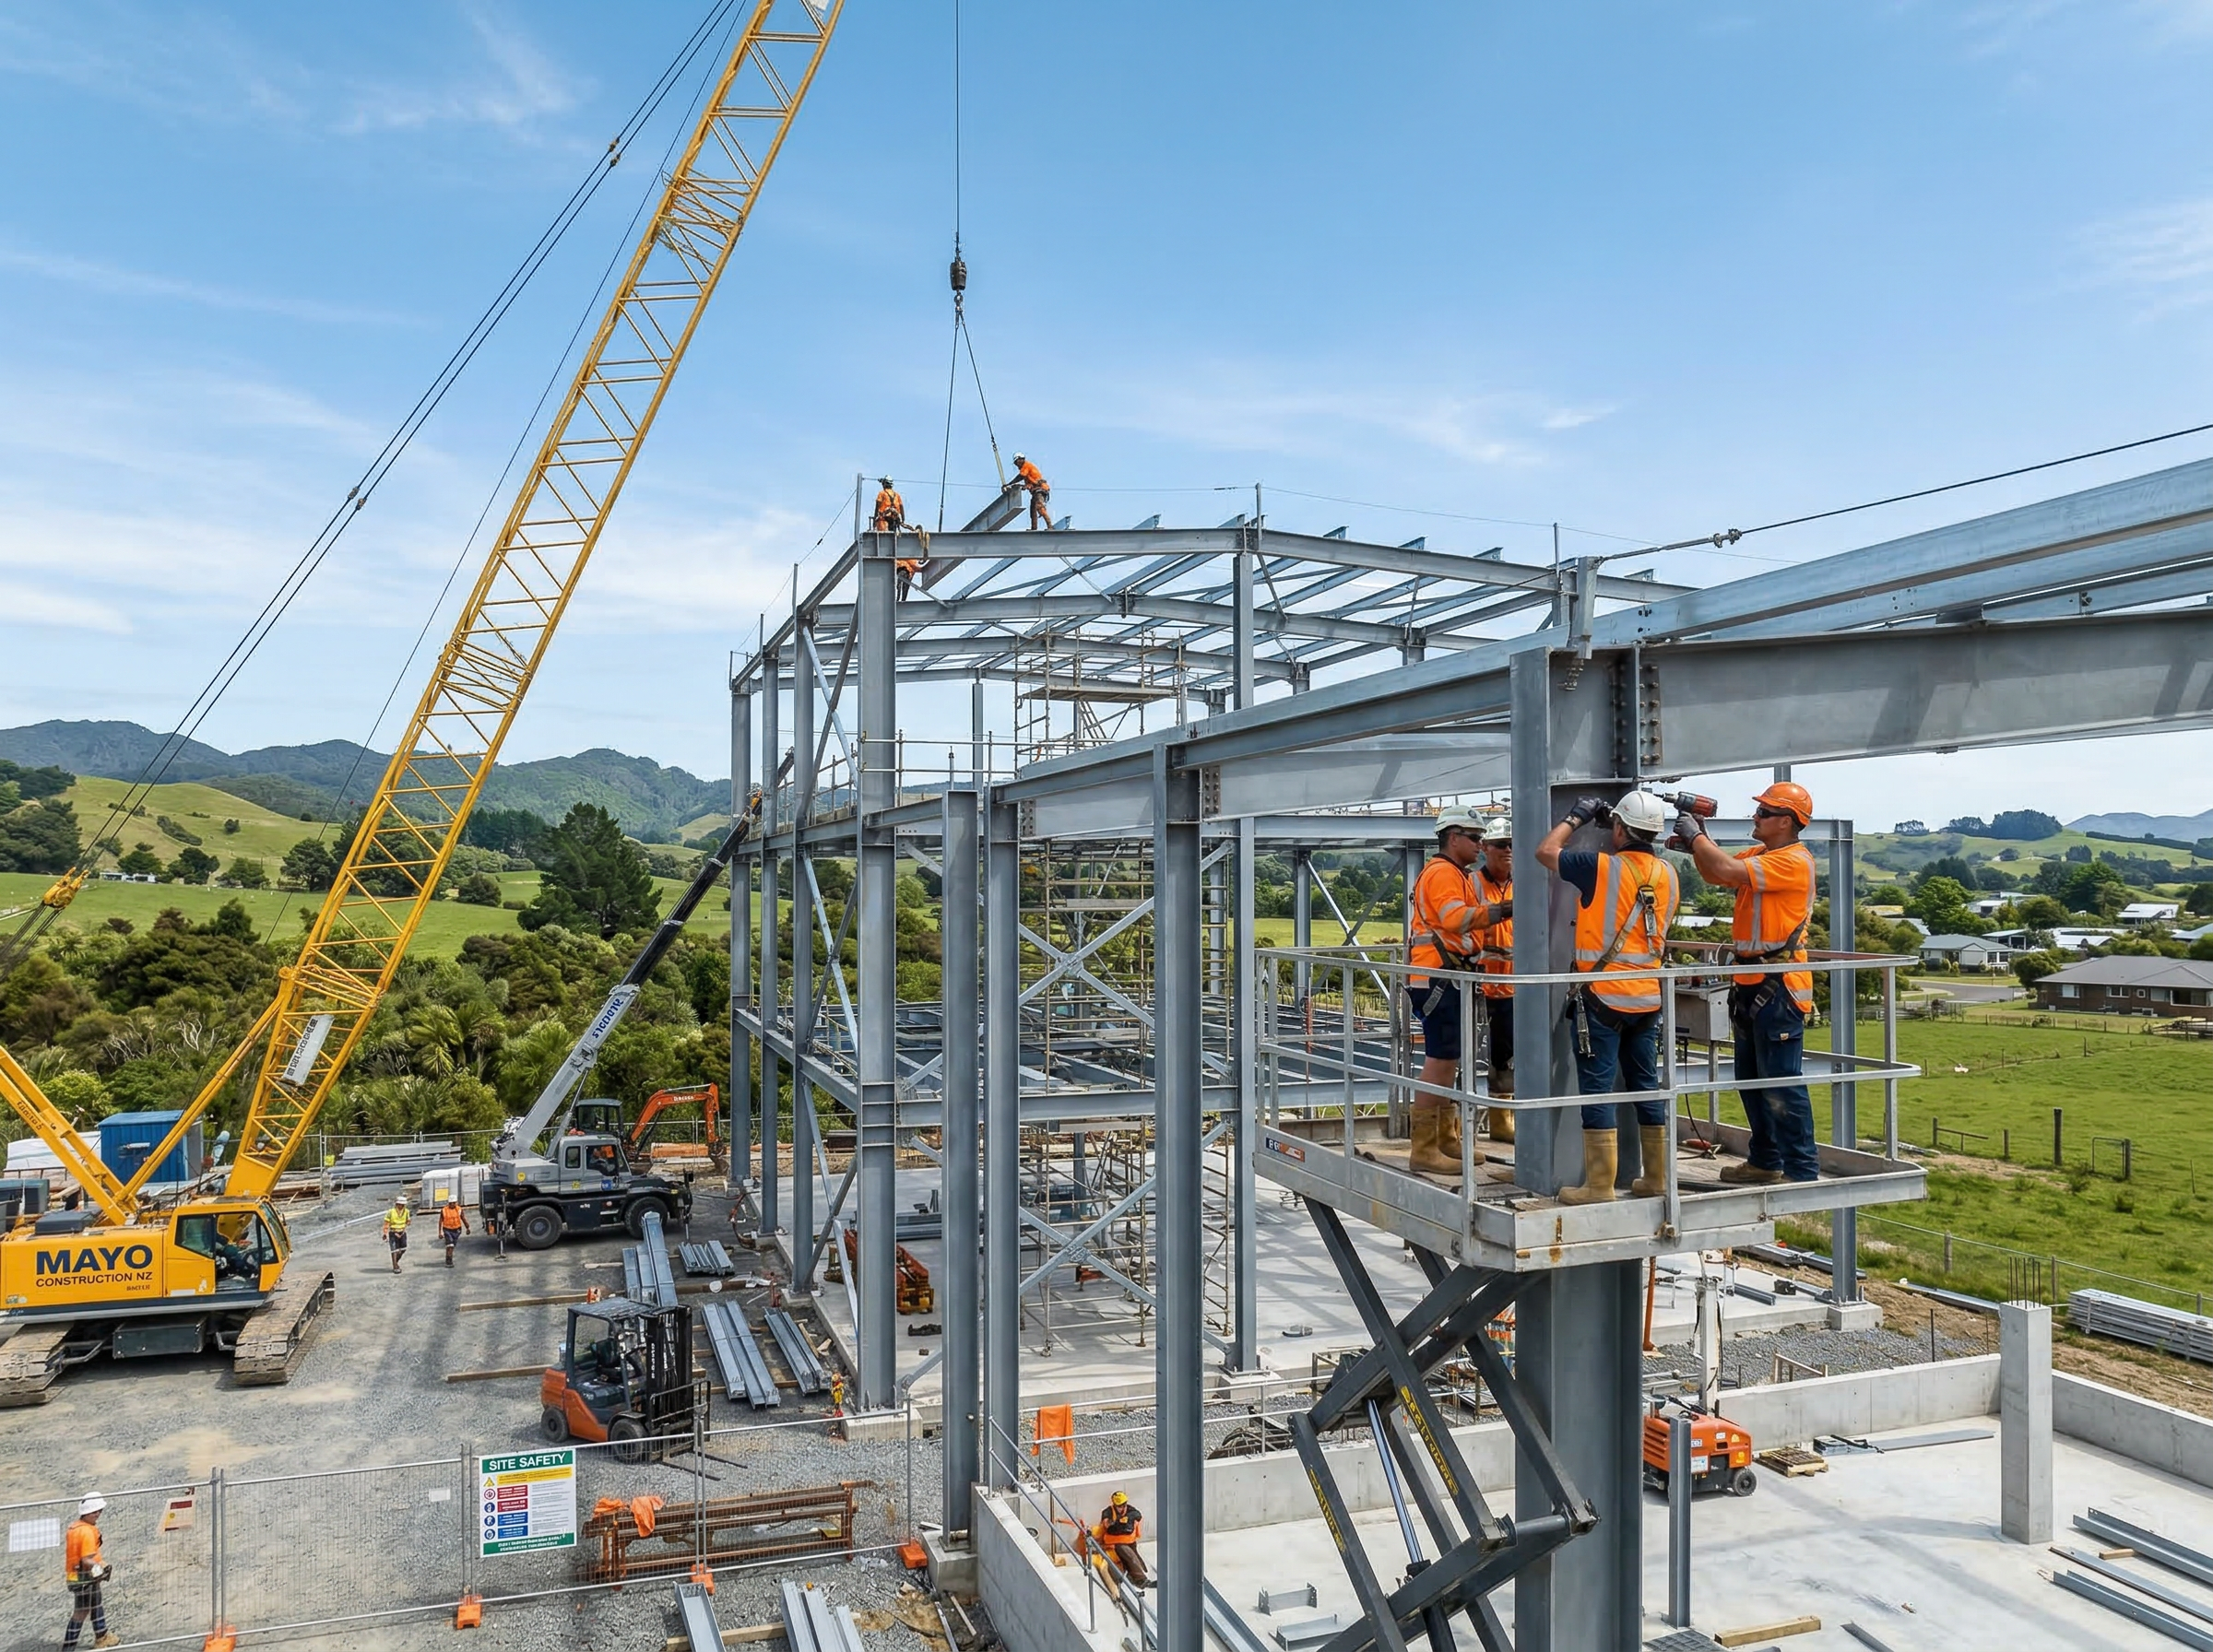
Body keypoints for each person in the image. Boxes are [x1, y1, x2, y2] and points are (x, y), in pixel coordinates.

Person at [1535, 791, 1680, 1205]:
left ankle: (1599, 1187)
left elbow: (1545, 851)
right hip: (1648, 998)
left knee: (1598, 1089)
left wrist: (1578, 816)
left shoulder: (1599, 867)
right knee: (1645, 1085)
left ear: (1618, 828)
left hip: (1602, 997)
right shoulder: (1669, 874)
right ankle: (1657, 1178)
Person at [1676, 781, 1818, 1185]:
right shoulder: (1763, 853)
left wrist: (1698, 837)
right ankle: (1765, 1160)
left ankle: (1801, 1168)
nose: (1756, 817)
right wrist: (1697, 843)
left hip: (1779, 983)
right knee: (1751, 1079)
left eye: (1764, 813)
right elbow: (1715, 874)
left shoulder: (1794, 860)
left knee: (1781, 1083)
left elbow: (1723, 867)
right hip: (1751, 979)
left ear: (1787, 822)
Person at [1405, 808, 1512, 1175]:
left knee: (1450, 1057)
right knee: (1440, 1058)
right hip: (1436, 976)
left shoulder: (1455, 874)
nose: (1481, 845)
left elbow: (1462, 932)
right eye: (1474, 838)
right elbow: (1455, 920)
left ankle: (1445, 1138)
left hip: (1447, 974)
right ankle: (1424, 1147)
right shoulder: (1441, 874)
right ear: (1453, 838)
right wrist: (1505, 911)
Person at [1471, 814, 1517, 1144]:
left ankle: (1502, 1122)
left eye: (1514, 845)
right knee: (1462, 1056)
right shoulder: (1472, 884)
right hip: (1476, 986)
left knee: (1506, 1058)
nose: (1509, 850)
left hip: (1514, 987)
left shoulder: (1526, 883)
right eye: (1502, 844)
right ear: (1485, 847)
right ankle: (1458, 1125)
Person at [63, 1494, 117, 1649]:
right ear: (86, 1513)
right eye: (95, 1512)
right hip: (84, 1579)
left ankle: (102, 1636)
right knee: (81, 1613)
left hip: (79, 1577)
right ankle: (68, 1648)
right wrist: (103, 1567)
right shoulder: (86, 1532)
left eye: (99, 1511)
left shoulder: (75, 1527)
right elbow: (86, 1559)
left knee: (96, 1605)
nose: (98, 1514)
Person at [873, 476, 929, 597]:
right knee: (893, 544)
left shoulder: (882, 494)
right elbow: (902, 509)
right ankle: (902, 581)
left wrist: (874, 521)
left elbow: (877, 507)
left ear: (884, 485)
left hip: (885, 521)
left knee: (884, 544)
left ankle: (900, 577)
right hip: (894, 521)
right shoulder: (896, 495)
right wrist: (902, 520)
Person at [1095, 1491, 1150, 1587]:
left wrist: (1128, 1518)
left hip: (1129, 1542)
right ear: (1115, 1505)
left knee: (1138, 1562)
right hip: (1115, 1544)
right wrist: (1117, 1522)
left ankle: (1132, 1575)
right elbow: (1107, 1524)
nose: (1123, 1508)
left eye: (1124, 1505)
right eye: (1120, 1506)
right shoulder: (1108, 1512)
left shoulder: (1129, 1510)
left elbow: (1138, 1515)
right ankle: (1141, 1580)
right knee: (1131, 1557)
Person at [1013, 453, 1051, 530]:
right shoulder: (1025, 471)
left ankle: (1050, 526)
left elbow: (1021, 476)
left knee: (1040, 507)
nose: (1017, 465)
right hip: (1035, 491)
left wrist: (1009, 483)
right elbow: (1030, 483)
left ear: (1021, 459)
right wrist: (1024, 486)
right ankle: (1034, 528)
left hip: (1040, 489)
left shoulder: (1026, 466)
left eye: (1017, 462)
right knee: (1033, 510)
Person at [439, 1196, 471, 1267]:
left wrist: (467, 1227)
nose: (452, 1205)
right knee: (450, 1245)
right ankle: (449, 1261)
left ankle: (449, 1257)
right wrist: (440, 1232)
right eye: (451, 1203)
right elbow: (440, 1221)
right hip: (447, 1229)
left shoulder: (459, 1209)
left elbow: (463, 1218)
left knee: (452, 1245)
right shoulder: (444, 1210)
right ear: (449, 1203)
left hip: (457, 1230)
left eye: (454, 1203)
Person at [383, 1197, 411, 1273]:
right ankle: (395, 1266)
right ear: (397, 1204)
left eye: (403, 1205)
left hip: (402, 1232)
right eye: (400, 1204)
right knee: (394, 1250)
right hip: (393, 1232)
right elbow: (386, 1223)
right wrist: (385, 1233)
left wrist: (408, 1223)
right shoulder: (391, 1212)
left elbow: (408, 1221)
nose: (401, 1206)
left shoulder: (406, 1211)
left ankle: (396, 1262)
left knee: (403, 1249)